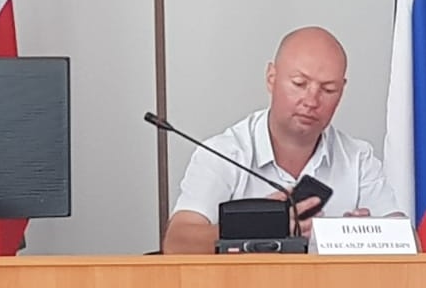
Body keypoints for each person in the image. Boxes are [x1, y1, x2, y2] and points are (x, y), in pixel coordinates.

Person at [161, 26, 401, 254]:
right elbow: (176, 243)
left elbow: (409, 244)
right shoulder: (224, 153)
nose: (311, 101)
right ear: (271, 78)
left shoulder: (358, 159)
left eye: (328, 90)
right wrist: (258, 226)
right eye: (299, 84)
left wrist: (364, 235)